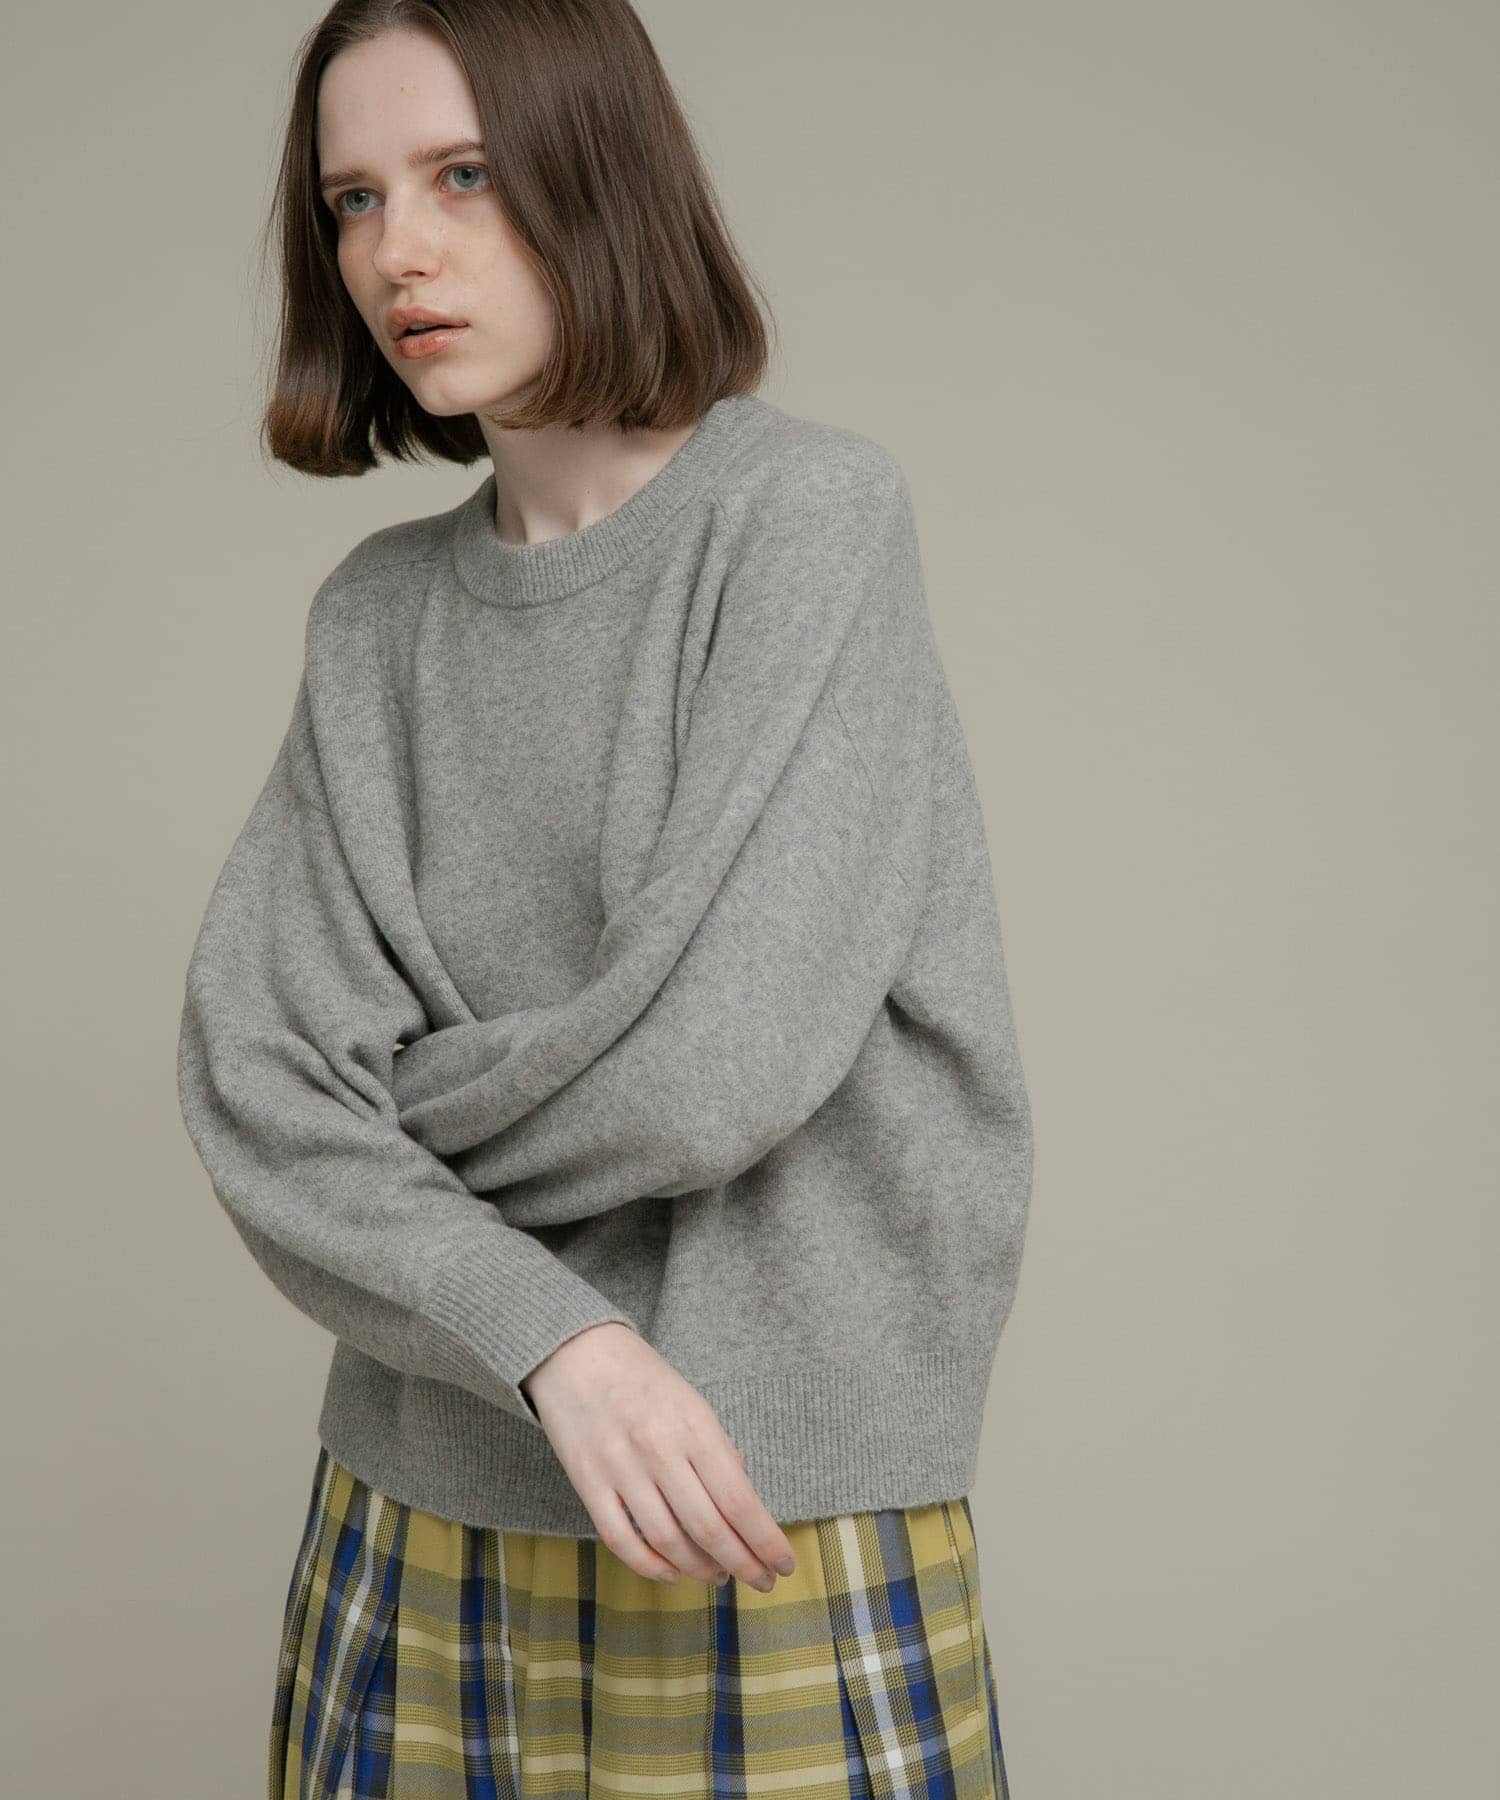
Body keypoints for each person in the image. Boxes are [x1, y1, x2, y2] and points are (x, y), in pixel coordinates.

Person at [175, 1, 1034, 1794]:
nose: (396, 252)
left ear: (600, 172)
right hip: (422, 1483)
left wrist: (390, 1127)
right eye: (351, 199)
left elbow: (715, 1066)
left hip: (752, 1495)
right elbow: (258, 1090)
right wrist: (552, 1336)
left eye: (463, 175)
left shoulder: (803, 521)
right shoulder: (376, 620)